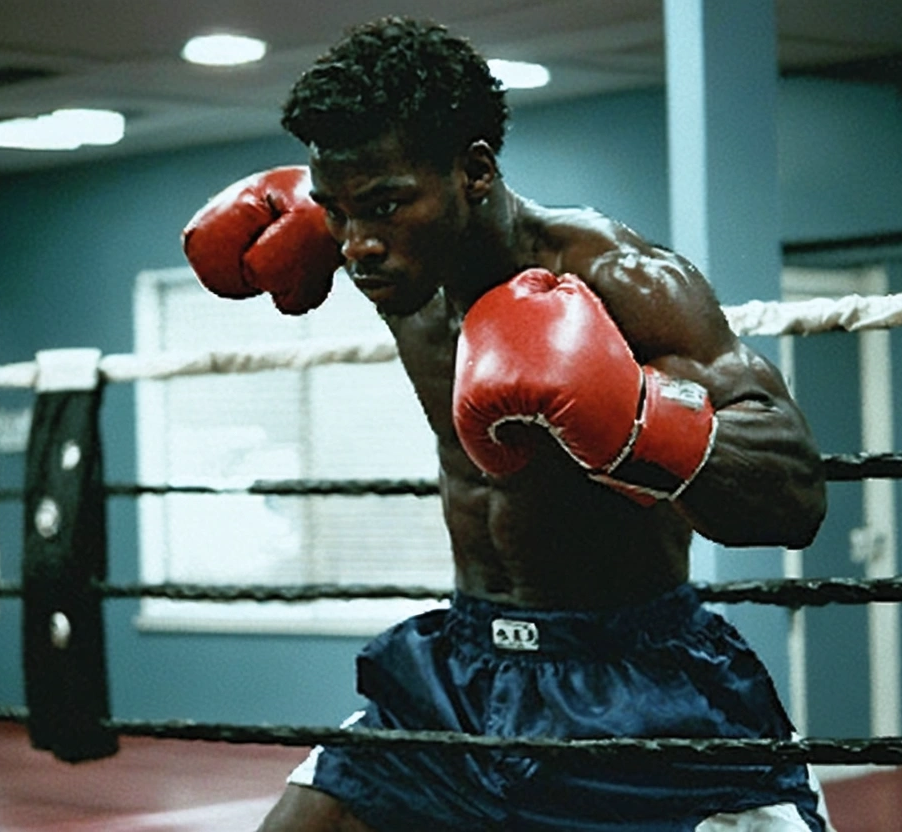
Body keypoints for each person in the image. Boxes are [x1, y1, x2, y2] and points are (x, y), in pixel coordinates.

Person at [183, 16, 831, 832]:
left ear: (476, 173)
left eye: (383, 207)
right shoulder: (399, 261)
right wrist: (335, 209)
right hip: (459, 673)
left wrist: (637, 421)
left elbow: (797, 491)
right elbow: (357, 207)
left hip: (636, 681)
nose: (357, 246)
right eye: (338, 214)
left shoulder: (615, 279)